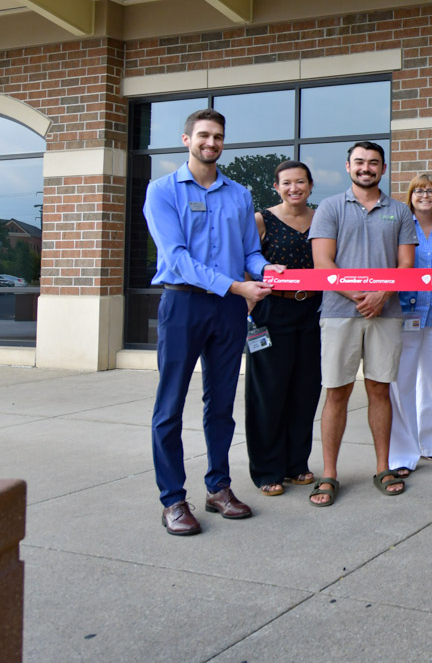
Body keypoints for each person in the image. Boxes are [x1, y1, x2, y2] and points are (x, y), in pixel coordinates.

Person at [143, 108, 281, 536]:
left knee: (220, 406)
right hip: (183, 305)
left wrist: (267, 271)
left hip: (227, 311)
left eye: (218, 136)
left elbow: (248, 255)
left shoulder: (239, 194)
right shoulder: (162, 191)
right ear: (187, 140)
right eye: (204, 135)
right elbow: (177, 259)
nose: (212, 142)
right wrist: (237, 287)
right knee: (170, 406)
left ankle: (219, 487)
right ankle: (172, 499)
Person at [308, 142, 416, 507]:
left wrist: (381, 295)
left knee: (379, 390)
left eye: (373, 163)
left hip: (386, 313)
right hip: (340, 313)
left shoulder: (399, 211)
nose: (366, 168)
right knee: (336, 392)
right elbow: (323, 264)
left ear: (383, 169)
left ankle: (383, 468)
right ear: (348, 166)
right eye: (359, 162)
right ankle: (329, 474)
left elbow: (406, 266)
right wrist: (361, 295)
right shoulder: (330, 207)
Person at [244, 160, 321, 498]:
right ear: (276, 187)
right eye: (287, 183)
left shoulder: (321, 218)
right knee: (269, 393)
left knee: (305, 391)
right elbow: (246, 260)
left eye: (301, 182)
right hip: (271, 313)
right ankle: (267, 469)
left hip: (313, 312)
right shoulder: (261, 220)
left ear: (310, 185)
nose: (294, 188)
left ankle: (296, 464)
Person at [387, 173, 432, 478]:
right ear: (410, 196)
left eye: (431, 191)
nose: (425, 195)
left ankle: (430, 443)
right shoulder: (400, 228)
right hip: (404, 315)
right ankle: (402, 452)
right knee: (402, 384)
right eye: (419, 191)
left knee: (429, 381)